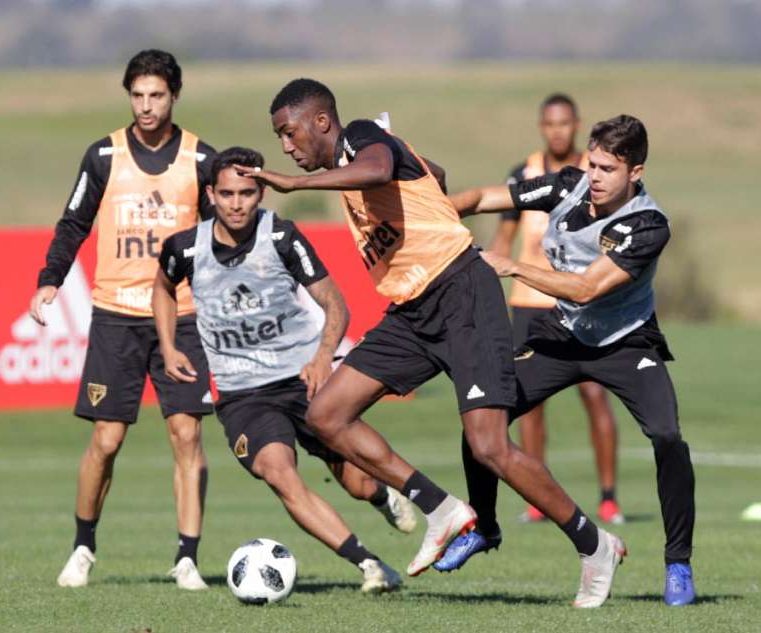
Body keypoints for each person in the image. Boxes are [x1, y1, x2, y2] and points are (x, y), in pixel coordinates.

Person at [243, 78, 626, 608]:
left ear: (321, 123)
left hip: (461, 288)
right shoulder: (367, 154)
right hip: (412, 308)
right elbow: (434, 175)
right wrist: (411, 165)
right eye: (281, 139)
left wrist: (296, 183)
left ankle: (595, 544)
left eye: (290, 133)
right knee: (327, 415)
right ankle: (443, 510)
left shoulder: (359, 137)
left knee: (489, 445)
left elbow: (378, 166)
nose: (287, 146)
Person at [444, 114, 697, 606]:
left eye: (607, 169)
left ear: (636, 172)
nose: (594, 177)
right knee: (483, 418)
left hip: (626, 344)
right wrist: (434, 214)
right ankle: (485, 527)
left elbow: (585, 289)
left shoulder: (648, 225)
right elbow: (480, 199)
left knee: (667, 436)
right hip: (562, 338)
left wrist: (513, 265)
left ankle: (678, 563)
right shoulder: (567, 187)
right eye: (592, 163)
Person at [153, 146, 413, 593]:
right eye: (228, 193)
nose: (237, 204)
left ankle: (382, 496)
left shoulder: (282, 237)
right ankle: (369, 564)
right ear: (211, 194)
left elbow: (336, 304)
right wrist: (168, 343)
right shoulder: (185, 248)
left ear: (261, 193)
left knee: (358, 483)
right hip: (243, 397)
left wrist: (321, 357)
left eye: (248, 193)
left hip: (301, 379)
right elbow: (161, 287)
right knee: (279, 471)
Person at [31, 49, 216, 590]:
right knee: (107, 440)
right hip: (115, 315)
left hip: (181, 319)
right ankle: (83, 547)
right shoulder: (103, 156)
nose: (146, 106)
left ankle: (187, 559)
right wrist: (50, 278)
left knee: (186, 435)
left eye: (156, 95)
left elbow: (222, 235)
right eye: (137, 95)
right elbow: (73, 223)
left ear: (174, 95)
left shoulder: (201, 160)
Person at [493, 93, 622, 525]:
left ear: (576, 125)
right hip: (529, 303)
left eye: (565, 123)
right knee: (528, 402)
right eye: (550, 124)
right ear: (541, 127)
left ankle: (608, 498)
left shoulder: (598, 171)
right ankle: (538, 499)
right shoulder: (524, 173)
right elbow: (503, 236)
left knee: (594, 394)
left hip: (582, 303)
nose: (557, 131)